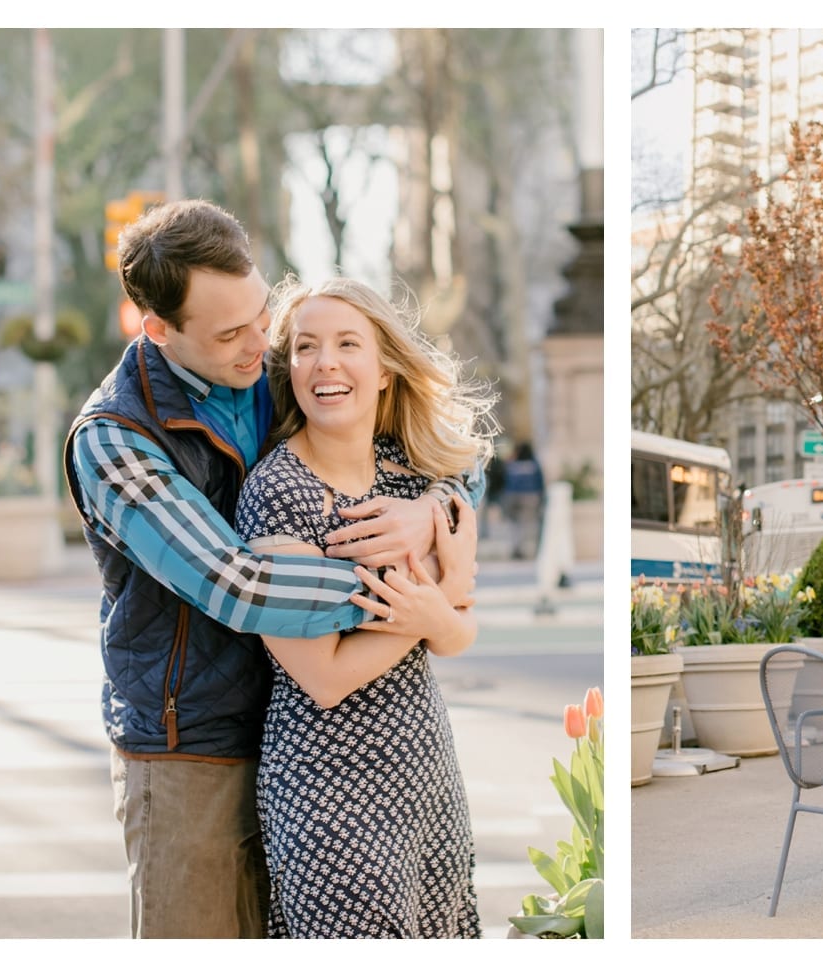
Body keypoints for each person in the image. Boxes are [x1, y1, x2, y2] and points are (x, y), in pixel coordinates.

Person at [63, 199, 482, 939]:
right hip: (194, 749)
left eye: (261, 314)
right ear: (158, 330)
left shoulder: (272, 369)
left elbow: (428, 451)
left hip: (300, 735)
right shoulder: (114, 440)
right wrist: (427, 591)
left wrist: (434, 513)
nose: (264, 342)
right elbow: (238, 584)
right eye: (231, 332)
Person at [235, 274, 496, 937]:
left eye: (348, 343)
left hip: (425, 772)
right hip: (328, 791)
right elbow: (322, 676)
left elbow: (460, 631)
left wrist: (437, 609)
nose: (325, 362)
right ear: (289, 369)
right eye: (306, 347)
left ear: (384, 370)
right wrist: (429, 607)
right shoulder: (275, 493)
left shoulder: (413, 480)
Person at [502, 440, 544, 558]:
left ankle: (516, 547)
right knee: (527, 524)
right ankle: (525, 547)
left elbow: (506, 480)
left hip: (512, 496)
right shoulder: (534, 464)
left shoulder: (513, 463)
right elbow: (539, 481)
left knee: (514, 524)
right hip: (530, 496)